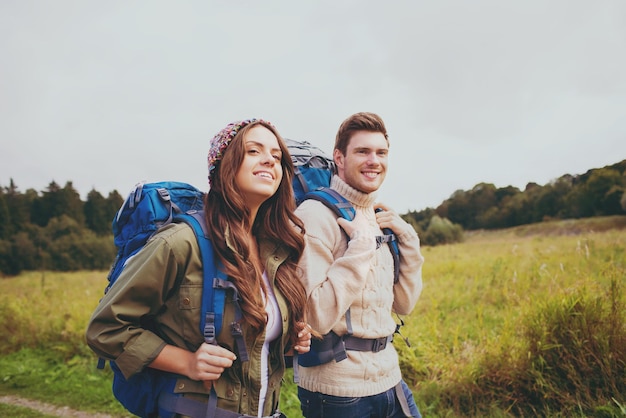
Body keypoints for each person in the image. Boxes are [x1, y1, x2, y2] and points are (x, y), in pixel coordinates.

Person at [86, 118, 312, 418]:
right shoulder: (181, 242)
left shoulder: (276, 250)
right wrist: (186, 362)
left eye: (277, 155)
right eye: (254, 150)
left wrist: (287, 339)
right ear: (225, 165)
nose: (269, 159)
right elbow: (105, 328)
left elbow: (251, 344)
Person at [295, 112, 425, 417]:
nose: (374, 161)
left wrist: (408, 237)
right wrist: (360, 249)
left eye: (381, 152)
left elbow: (404, 304)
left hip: (390, 378)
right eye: (362, 151)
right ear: (339, 158)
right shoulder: (314, 215)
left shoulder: (379, 216)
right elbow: (313, 317)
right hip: (338, 393)